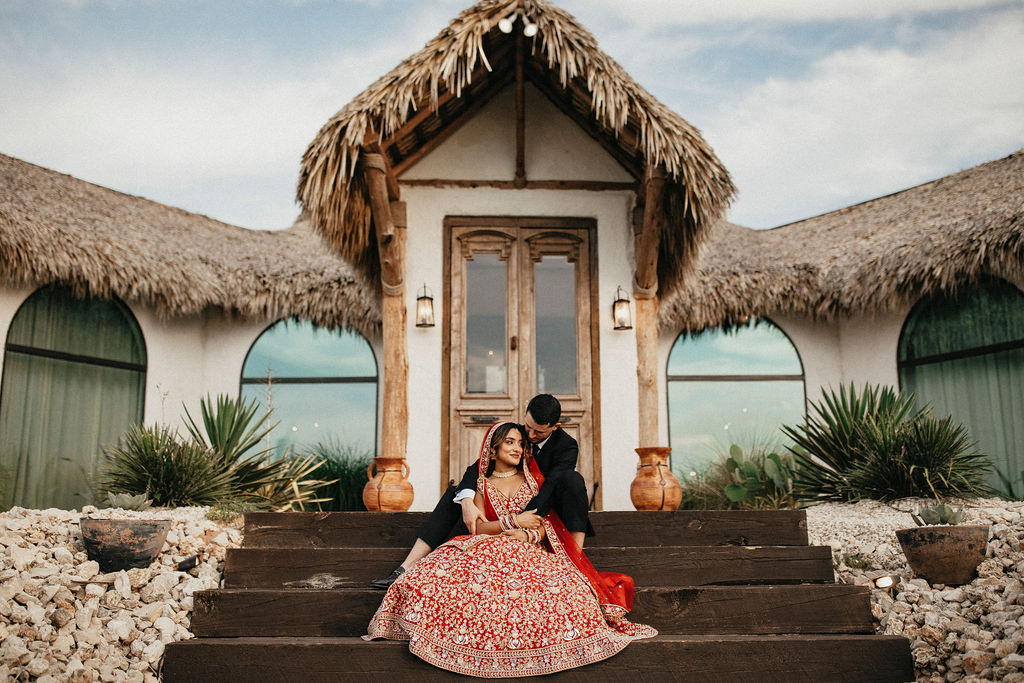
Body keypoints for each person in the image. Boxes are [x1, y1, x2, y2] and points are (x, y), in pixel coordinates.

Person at [364, 421, 656, 677]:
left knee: (566, 595)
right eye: (510, 442)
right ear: (493, 449)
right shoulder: (479, 483)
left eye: (520, 442)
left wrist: (529, 535)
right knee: (436, 583)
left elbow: (548, 523)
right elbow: (476, 527)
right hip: (484, 547)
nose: (518, 448)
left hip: (528, 550)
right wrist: (511, 521)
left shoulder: (534, 482)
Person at [370, 394, 592, 589]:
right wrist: (466, 501)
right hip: (503, 515)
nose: (530, 436)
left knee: (572, 480)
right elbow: (477, 467)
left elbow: (552, 486)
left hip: (548, 506)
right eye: (528, 427)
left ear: (555, 427)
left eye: (538, 432)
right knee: (454, 493)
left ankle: (575, 561)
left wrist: (524, 521)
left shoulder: (566, 445)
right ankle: (405, 567)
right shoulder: (517, 434)